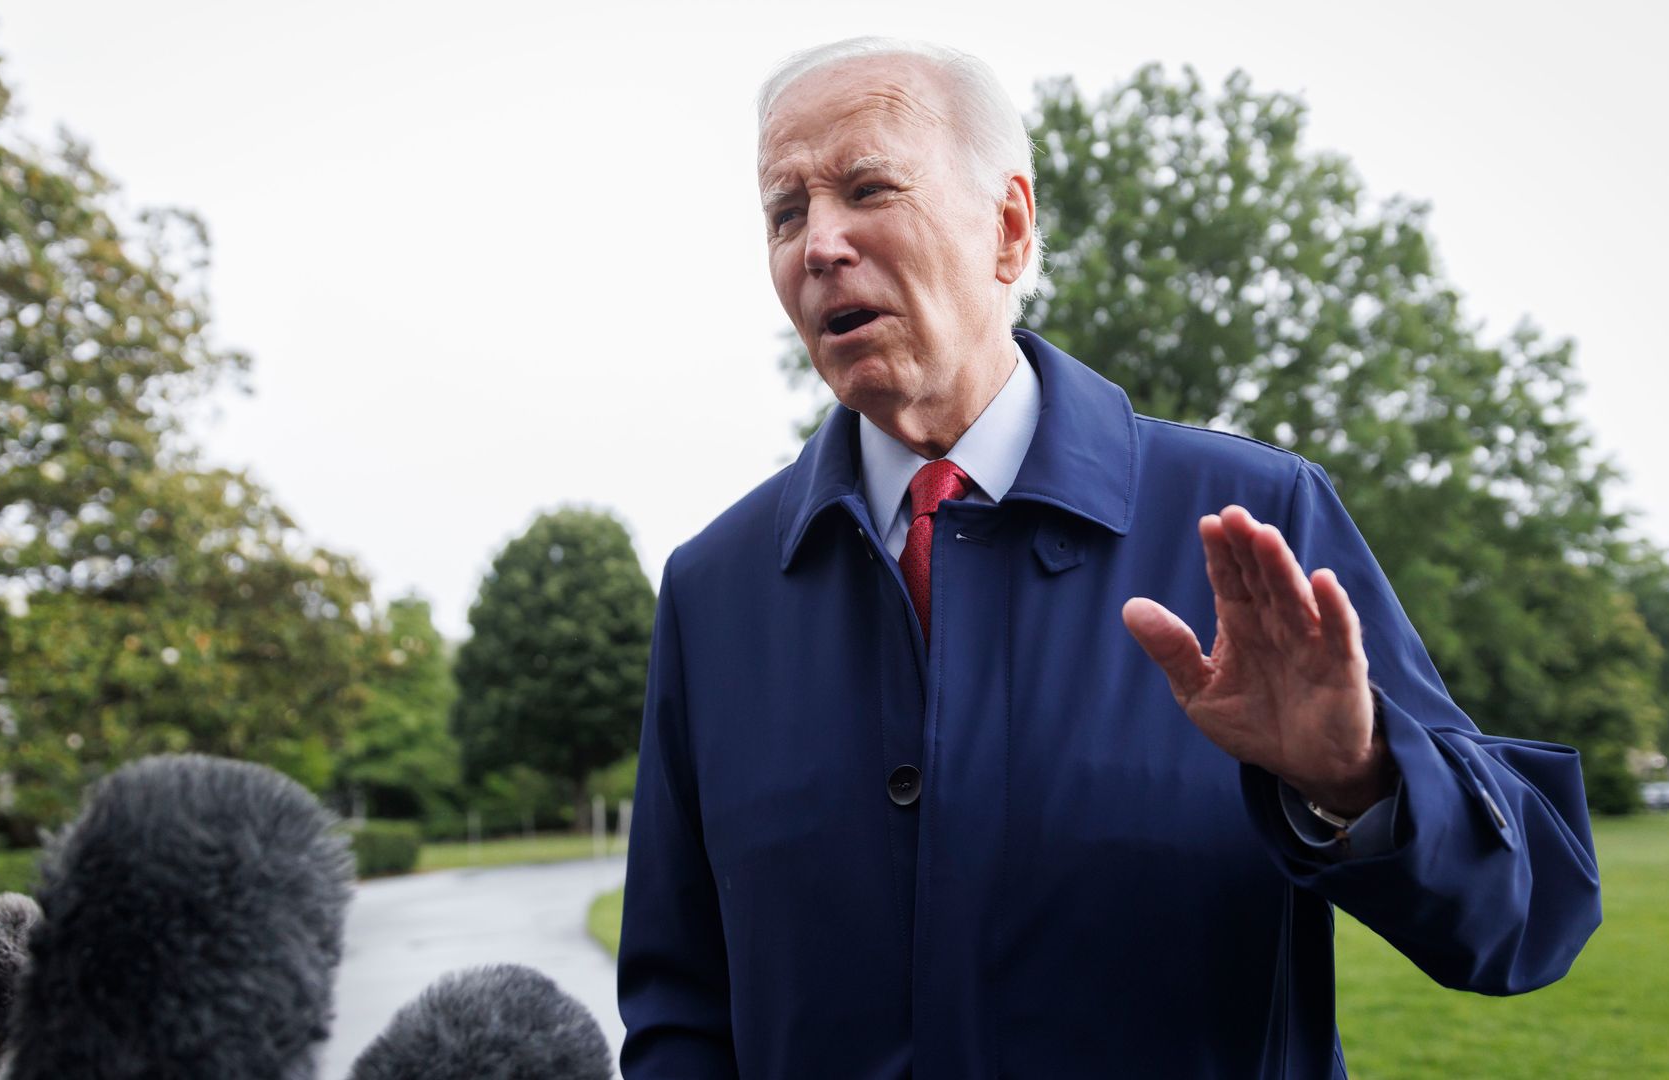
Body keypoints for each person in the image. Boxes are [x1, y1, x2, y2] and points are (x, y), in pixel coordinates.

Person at [617, 36, 1600, 1079]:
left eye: (868, 188)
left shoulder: (1254, 519)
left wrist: (1359, 780)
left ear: (1008, 226)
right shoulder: (712, 591)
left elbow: (1525, 922)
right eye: (785, 212)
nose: (818, 245)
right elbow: (681, 1010)